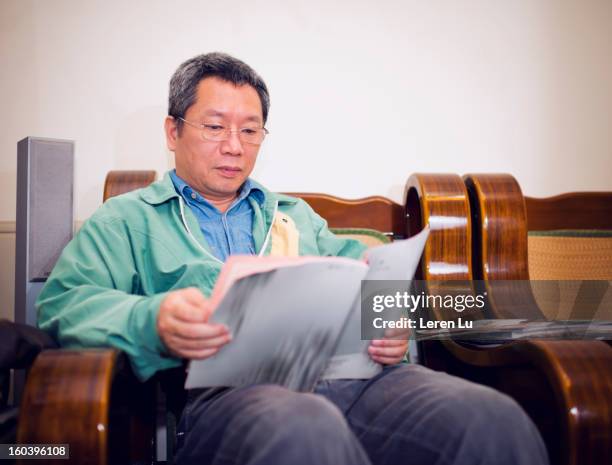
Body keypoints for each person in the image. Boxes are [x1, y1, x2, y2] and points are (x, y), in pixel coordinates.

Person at [37, 52, 549, 465]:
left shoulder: (295, 216)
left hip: (361, 381)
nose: (234, 147)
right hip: (235, 396)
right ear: (174, 132)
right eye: (215, 127)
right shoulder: (128, 219)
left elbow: (370, 278)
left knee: (491, 418)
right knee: (304, 429)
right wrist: (153, 320)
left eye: (250, 130)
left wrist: (391, 322)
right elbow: (63, 305)